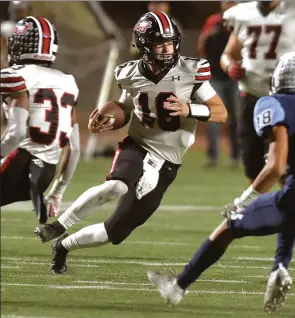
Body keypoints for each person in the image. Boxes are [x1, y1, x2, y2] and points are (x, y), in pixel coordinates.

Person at [147, 51, 295, 313]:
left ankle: (177, 288)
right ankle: (279, 268)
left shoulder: (274, 103)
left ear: (278, 76)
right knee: (287, 200)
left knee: (230, 224)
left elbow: (275, 166)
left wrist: (243, 200)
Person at [34, 11, 227, 274]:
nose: (167, 49)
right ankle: (59, 224)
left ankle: (63, 246)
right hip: (138, 145)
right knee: (116, 187)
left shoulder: (190, 71)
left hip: (168, 161)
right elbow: (124, 109)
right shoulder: (130, 72)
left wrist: (188, 109)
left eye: (170, 43)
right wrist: (106, 119)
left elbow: (220, 112)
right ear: (144, 45)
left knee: (115, 232)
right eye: (160, 43)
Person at [220, 0, 295, 184]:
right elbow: (227, 54)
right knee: (253, 166)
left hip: (289, 100)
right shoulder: (241, 13)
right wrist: (230, 66)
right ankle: (256, 209)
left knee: (288, 166)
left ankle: (288, 207)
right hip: (253, 97)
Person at [0, 16, 81, 223]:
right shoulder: (68, 82)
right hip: (46, 172)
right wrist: (57, 192)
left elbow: (16, 133)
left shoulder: (16, 76)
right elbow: (75, 148)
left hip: (17, 162)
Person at [198, 1, 240, 167]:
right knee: (213, 116)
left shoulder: (242, 21)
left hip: (234, 77)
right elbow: (202, 45)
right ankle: (213, 156)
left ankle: (236, 157)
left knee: (236, 118)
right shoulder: (214, 21)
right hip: (214, 76)